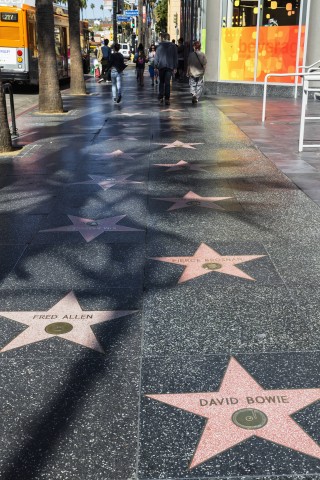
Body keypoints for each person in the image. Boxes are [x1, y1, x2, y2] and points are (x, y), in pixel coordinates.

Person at [154, 32, 178, 106]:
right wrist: (175, 67)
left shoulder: (159, 46)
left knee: (161, 82)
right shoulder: (173, 46)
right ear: (169, 38)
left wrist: (155, 66)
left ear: (163, 38)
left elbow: (156, 57)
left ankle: (161, 97)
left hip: (161, 66)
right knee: (167, 83)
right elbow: (175, 57)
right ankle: (167, 99)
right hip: (169, 67)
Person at [187, 40, 207, 104]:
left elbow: (189, 64)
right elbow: (204, 64)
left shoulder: (191, 55)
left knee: (192, 84)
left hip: (192, 73)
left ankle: (193, 94)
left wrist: (187, 72)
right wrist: (204, 71)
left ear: (194, 47)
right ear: (200, 47)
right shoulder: (202, 54)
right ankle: (196, 97)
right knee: (199, 85)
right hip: (200, 73)